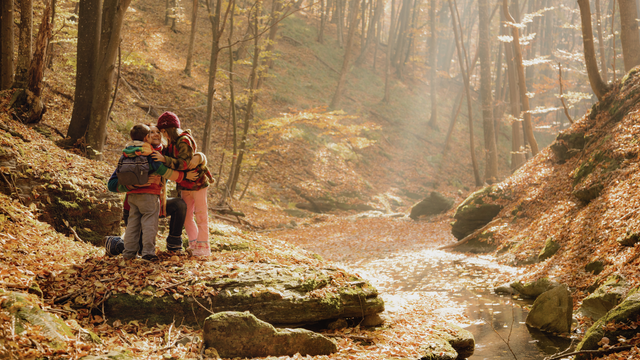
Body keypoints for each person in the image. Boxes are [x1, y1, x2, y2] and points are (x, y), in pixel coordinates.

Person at [108, 124, 190, 261]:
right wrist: (133, 185)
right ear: (147, 137)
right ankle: (146, 252)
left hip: (134, 200)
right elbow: (112, 184)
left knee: (133, 228)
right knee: (149, 225)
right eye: (151, 132)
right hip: (148, 197)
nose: (155, 135)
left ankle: (128, 253)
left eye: (158, 132)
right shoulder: (150, 154)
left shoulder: (127, 153)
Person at [152, 111, 213, 257]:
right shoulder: (171, 143)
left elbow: (184, 163)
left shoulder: (184, 140)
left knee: (201, 215)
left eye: (163, 132)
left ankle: (204, 247)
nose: (163, 135)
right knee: (187, 216)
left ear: (168, 130)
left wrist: (164, 160)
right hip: (184, 184)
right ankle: (194, 244)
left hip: (197, 183)